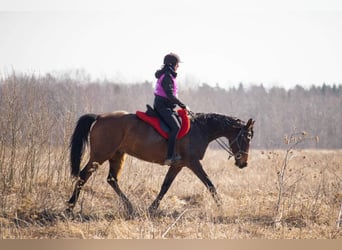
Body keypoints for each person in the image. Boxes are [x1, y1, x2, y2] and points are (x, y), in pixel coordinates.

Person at [153, 53, 188, 166]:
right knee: (175, 127)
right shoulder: (167, 76)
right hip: (162, 106)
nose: (178, 66)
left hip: (166, 106)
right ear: (173, 64)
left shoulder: (169, 75)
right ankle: (169, 157)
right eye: (177, 64)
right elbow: (170, 95)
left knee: (179, 124)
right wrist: (183, 106)